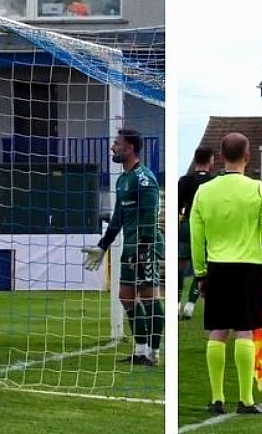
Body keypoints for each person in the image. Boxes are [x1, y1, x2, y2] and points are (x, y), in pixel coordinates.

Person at [190, 132, 262, 415]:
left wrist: (201, 272)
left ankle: (217, 399)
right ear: (247, 155)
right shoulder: (257, 189)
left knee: (217, 331)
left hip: (216, 267)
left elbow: (196, 234)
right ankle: (246, 400)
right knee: (244, 330)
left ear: (220, 156)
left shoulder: (205, 191)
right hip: (248, 269)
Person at [82, 129, 164, 366]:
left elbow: (150, 216)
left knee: (149, 298)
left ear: (130, 148)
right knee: (126, 297)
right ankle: (139, 351)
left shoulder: (144, 179)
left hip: (145, 244)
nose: (112, 148)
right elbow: (118, 217)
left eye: (116, 144)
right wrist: (103, 245)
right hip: (130, 245)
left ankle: (153, 353)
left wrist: (143, 249)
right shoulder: (122, 179)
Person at [177, 145, 215, 320]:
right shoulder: (214, 182)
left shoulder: (185, 180)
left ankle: (176, 303)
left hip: (187, 224)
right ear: (211, 160)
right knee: (202, 266)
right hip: (207, 226)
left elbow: (177, 206)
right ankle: (191, 304)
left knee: (180, 264)